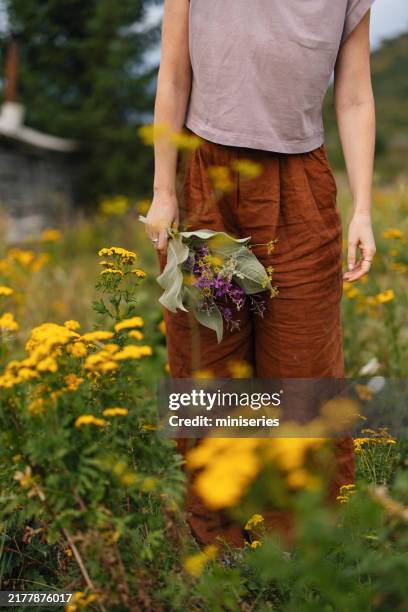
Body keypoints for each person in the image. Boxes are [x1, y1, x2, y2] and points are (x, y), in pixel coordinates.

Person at [145, 0, 376, 548]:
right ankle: (219, 547)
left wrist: (364, 208)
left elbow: (356, 94)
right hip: (205, 180)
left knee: (303, 375)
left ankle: (301, 553)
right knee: (209, 369)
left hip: (301, 187)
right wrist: (162, 191)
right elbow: (174, 72)